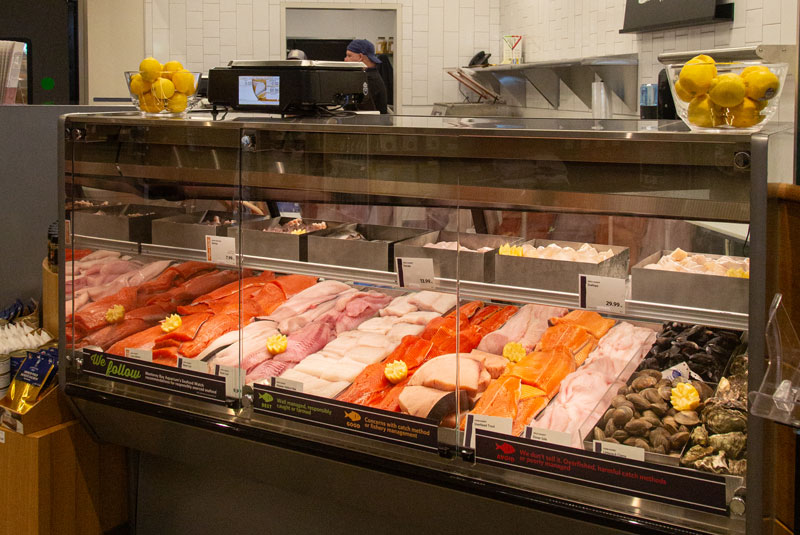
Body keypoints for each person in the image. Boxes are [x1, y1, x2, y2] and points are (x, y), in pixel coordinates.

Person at [344, 39, 388, 114]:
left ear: (361, 57)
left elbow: (365, 113)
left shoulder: (367, 79)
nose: (345, 59)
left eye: (349, 55)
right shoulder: (372, 75)